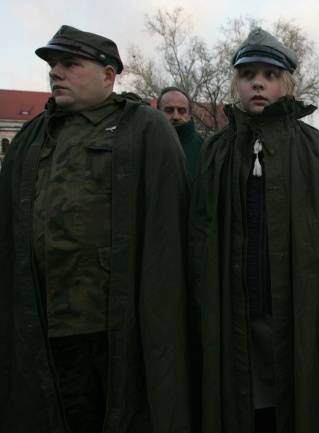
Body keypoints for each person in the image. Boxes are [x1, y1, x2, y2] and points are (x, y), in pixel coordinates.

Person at [0, 25, 192, 433]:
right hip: (43, 320)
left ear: (108, 75)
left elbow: (167, 229)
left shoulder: (145, 127)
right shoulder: (33, 134)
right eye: (53, 65)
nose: (56, 73)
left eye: (70, 64)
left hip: (114, 324)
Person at [188, 27, 319, 433]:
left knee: (294, 394)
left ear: (286, 83)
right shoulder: (216, 149)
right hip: (235, 305)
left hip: (295, 304)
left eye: (270, 75)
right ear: (236, 83)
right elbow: (201, 234)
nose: (258, 82)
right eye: (248, 74)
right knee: (243, 399)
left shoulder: (312, 146)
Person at [157, 86, 204, 176]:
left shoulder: (205, 149)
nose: (176, 117)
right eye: (169, 110)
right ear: (158, 112)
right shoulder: (145, 147)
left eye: (181, 111)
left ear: (190, 114)